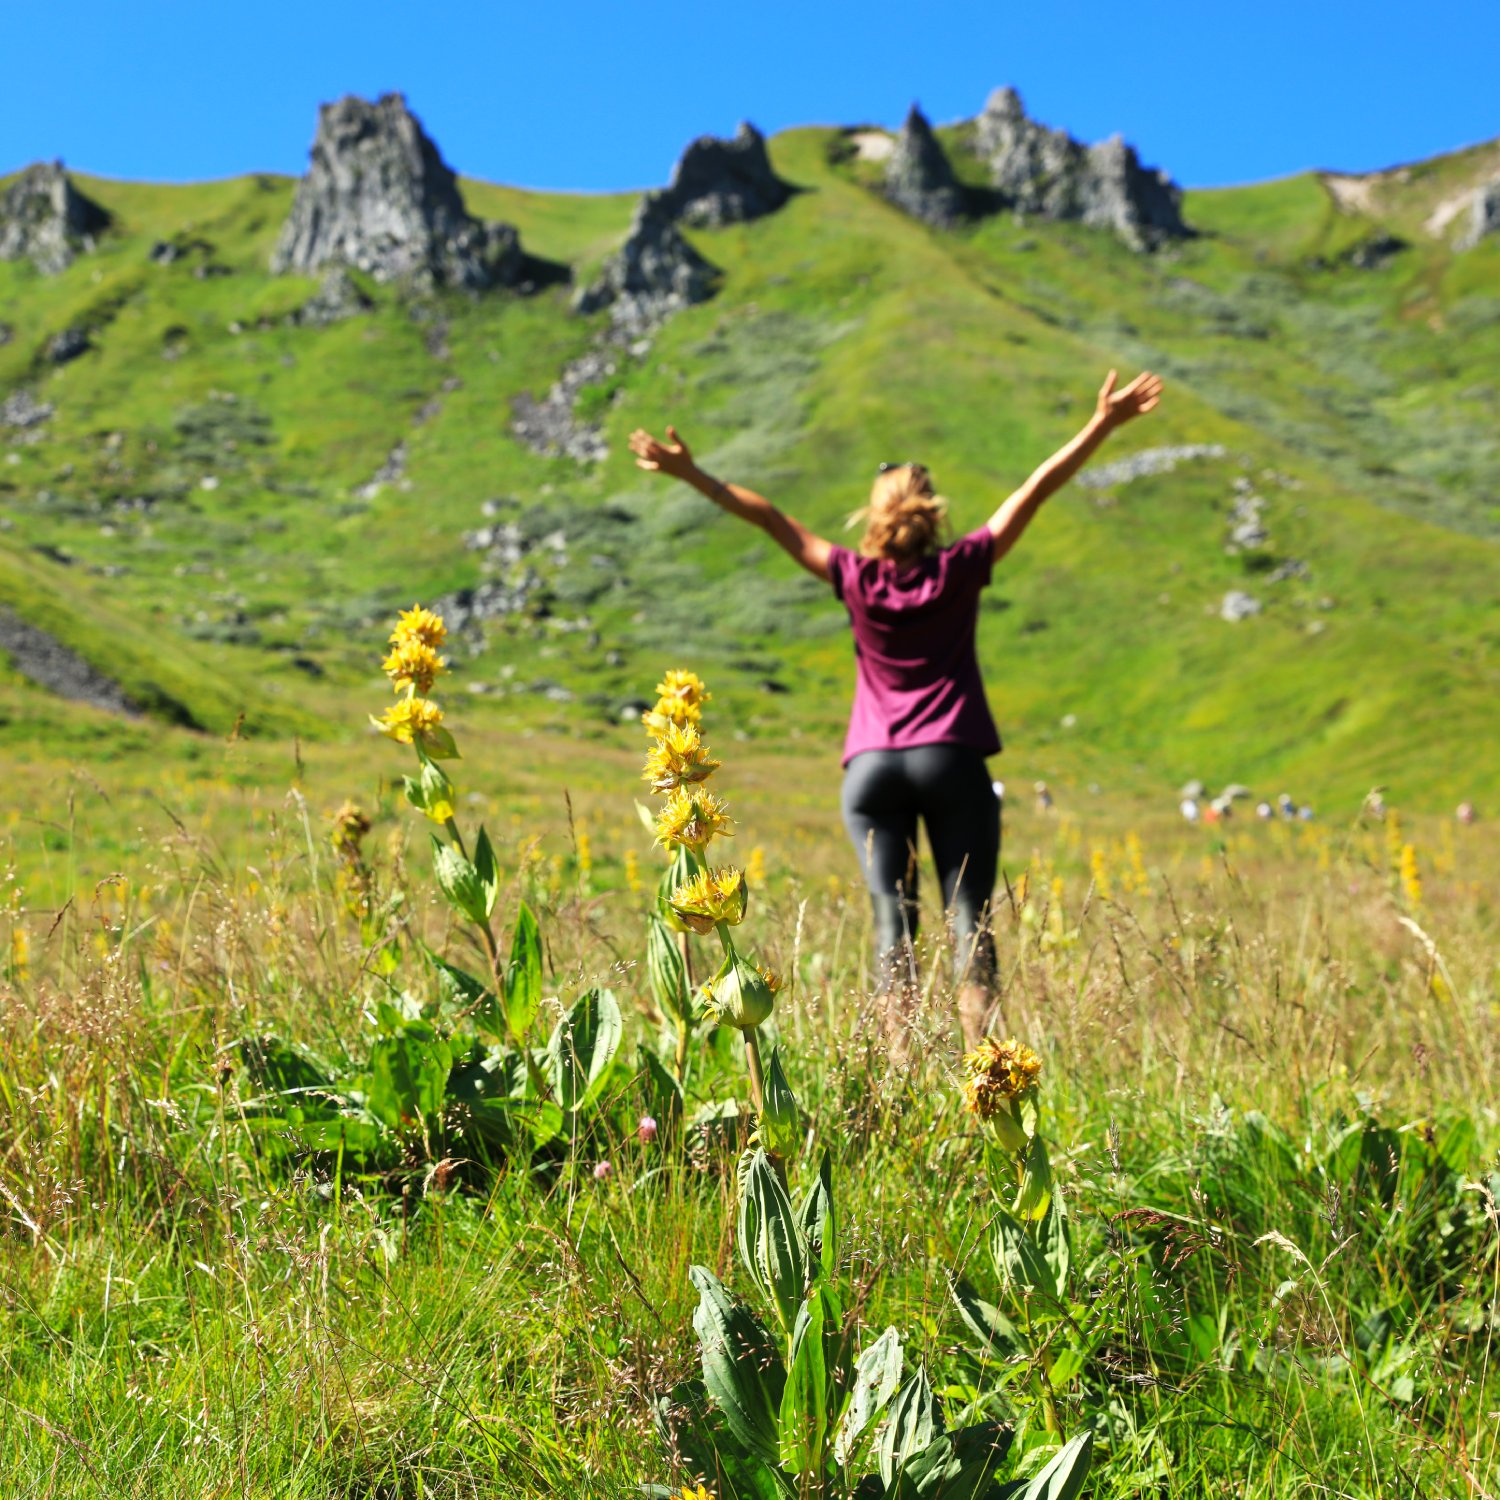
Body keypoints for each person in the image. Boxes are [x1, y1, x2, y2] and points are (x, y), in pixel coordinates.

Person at [629, 368, 1164, 1051]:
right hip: (952, 759)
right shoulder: (962, 566)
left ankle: (895, 1070)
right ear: (932, 513)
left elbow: (768, 518)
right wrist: (1101, 425)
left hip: (873, 765)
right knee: (969, 921)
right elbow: (1034, 490)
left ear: (875, 518)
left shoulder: (854, 575)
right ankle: (986, 1069)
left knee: (893, 926)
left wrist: (692, 473)